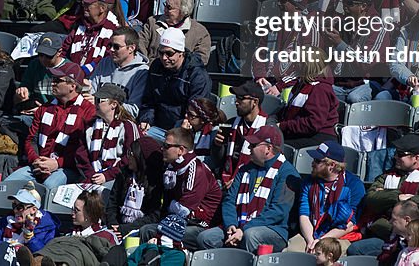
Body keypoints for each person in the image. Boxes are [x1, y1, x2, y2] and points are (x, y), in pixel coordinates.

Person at [196, 125, 299, 254]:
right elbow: (229, 200)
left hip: (273, 229)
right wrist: (231, 225)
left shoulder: (288, 173)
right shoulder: (244, 169)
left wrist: (244, 229)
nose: (248, 148)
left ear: (268, 148)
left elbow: (278, 212)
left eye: (253, 145)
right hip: (239, 224)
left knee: (250, 236)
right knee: (206, 238)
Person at [7, 61, 95, 190]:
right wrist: (37, 161)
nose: (52, 83)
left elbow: (84, 150)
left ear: (72, 85)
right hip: (39, 164)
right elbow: (31, 140)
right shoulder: (45, 108)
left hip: (69, 168)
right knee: (8, 184)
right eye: (53, 79)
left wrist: (57, 163)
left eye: (58, 80)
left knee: (48, 187)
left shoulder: (88, 111)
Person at [361, 135, 419, 242]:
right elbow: (370, 199)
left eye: (400, 154)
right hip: (381, 231)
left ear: (416, 158)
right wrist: (398, 197)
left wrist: (385, 201)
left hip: (412, 237)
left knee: (357, 250)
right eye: (395, 153)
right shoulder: (387, 175)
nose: (395, 157)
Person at [291, 140, 365, 254]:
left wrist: (321, 241)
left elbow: (350, 224)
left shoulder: (353, 185)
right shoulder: (309, 183)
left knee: (326, 256)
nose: (312, 163)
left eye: (317, 161)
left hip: (340, 237)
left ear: (332, 165)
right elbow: (304, 215)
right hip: (311, 233)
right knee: (292, 252)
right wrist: (311, 241)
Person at [138, 27, 210, 132]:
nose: (164, 58)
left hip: (183, 128)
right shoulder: (156, 67)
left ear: (181, 53)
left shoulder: (196, 75)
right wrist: (146, 119)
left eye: (169, 53)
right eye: (161, 53)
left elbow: (195, 109)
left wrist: (183, 126)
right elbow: (149, 101)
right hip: (156, 127)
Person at [76, 82, 140, 184]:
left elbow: (130, 157)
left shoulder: (128, 127)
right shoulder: (90, 125)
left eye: (99, 100)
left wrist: (106, 176)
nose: (95, 104)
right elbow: (81, 155)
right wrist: (91, 175)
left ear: (113, 104)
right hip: (91, 176)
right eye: (95, 100)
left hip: (118, 177)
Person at [137, 0, 211, 64]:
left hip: (183, 74)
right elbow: (140, 45)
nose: (165, 10)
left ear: (183, 11)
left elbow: (200, 60)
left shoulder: (199, 32)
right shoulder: (152, 23)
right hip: (151, 70)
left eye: (169, 8)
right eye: (165, 5)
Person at [0, 183, 58, 251]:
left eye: (20, 207)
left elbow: (46, 253)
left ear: (33, 210)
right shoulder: (8, 220)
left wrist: (30, 237)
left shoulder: (47, 226)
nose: (15, 210)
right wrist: (8, 247)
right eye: (14, 206)